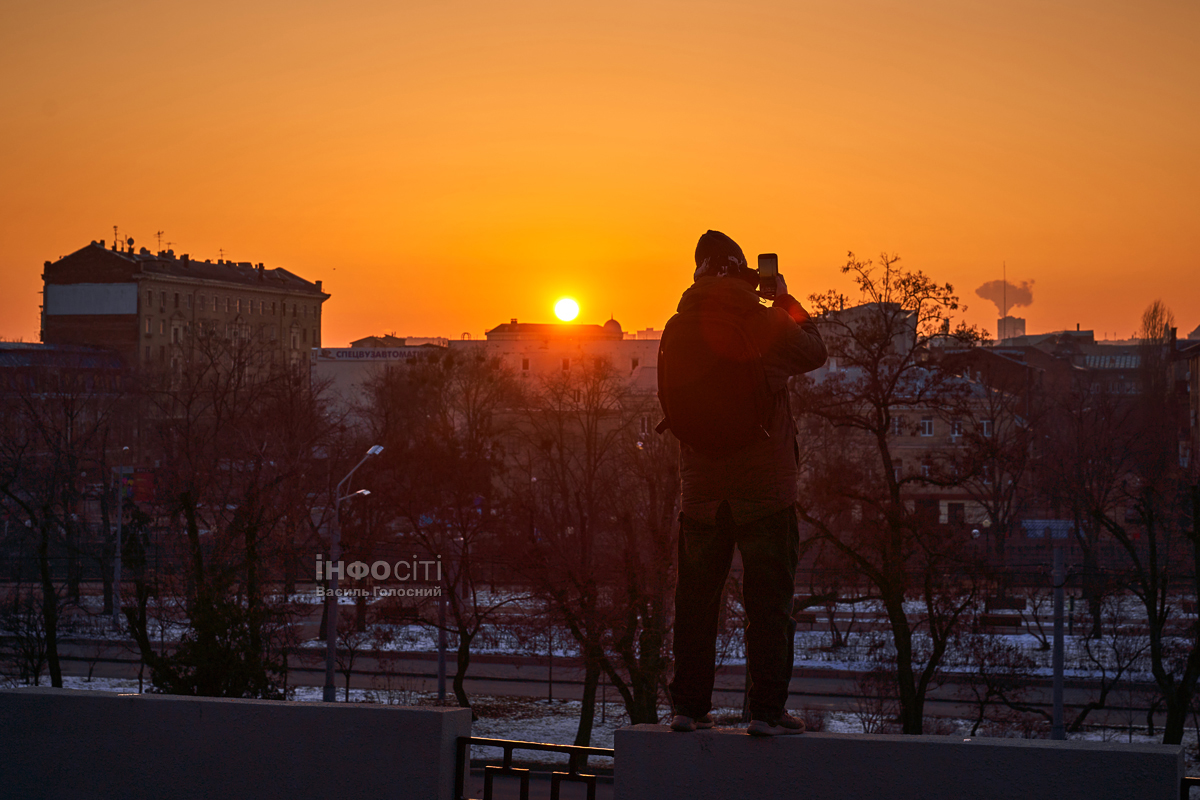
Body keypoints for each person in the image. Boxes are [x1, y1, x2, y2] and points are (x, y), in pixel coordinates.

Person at [665, 230, 826, 736]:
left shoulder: (676, 328)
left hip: (702, 493)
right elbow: (816, 350)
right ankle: (767, 712)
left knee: (695, 602)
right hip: (765, 492)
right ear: (740, 271)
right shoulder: (766, 321)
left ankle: (688, 708)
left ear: (698, 274)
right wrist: (782, 297)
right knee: (769, 605)